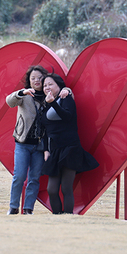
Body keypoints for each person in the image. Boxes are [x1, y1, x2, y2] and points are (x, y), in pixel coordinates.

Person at [5, 66, 71, 215]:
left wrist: (68, 90)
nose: (36, 81)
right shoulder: (25, 95)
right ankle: (13, 207)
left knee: (34, 178)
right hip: (22, 143)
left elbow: (63, 90)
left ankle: (28, 209)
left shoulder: (49, 96)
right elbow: (9, 101)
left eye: (40, 78)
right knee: (19, 176)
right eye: (33, 78)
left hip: (40, 146)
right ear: (29, 80)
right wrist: (22, 92)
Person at [40, 73, 98, 214]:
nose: (47, 87)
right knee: (52, 189)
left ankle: (68, 217)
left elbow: (67, 116)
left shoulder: (66, 99)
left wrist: (53, 102)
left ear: (59, 86)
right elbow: (45, 130)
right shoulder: (45, 103)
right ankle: (57, 217)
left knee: (66, 187)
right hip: (54, 150)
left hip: (70, 148)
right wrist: (46, 150)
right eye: (45, 85)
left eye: (50, 84)